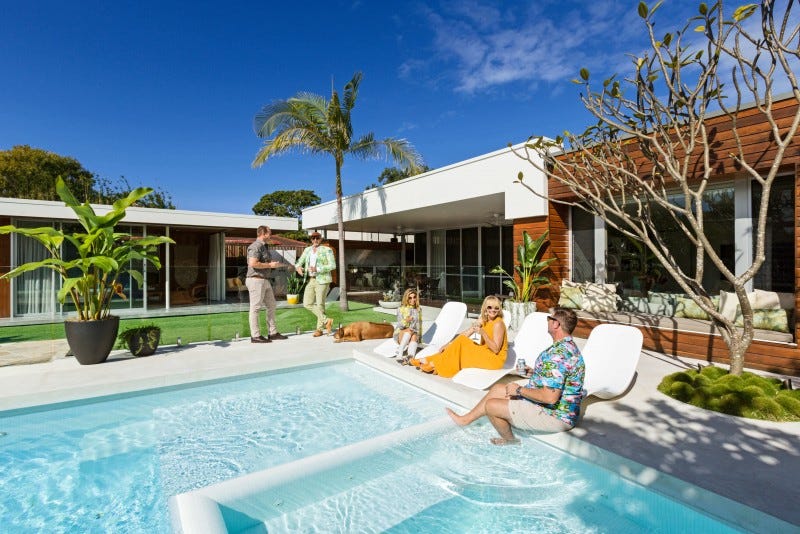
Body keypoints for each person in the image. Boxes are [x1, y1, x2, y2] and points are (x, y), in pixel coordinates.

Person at [446, 307, 585, 445]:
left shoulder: (558, 354)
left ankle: (510, 440)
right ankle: (465, 420)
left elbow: (550, 398)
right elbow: (557, 377)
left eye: (549, 318)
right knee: (498, 389)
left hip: (556, 416)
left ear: (556, 324)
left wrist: (519, 390)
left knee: (492, 406)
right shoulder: (567, 347)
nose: (547, 321)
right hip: (558, 410)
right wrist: (535, 373)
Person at [410, 295, 507, 377]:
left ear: (499, 310)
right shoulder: (483, 319)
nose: (493, 310)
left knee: (463, 343)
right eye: (490, 307)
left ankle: (433, 364)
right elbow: (465, 334)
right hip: (484, 352)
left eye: (496, 308)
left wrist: (483, 333)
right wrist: (448, 345)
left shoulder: (498, 324)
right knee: (462, 339)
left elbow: (496, 349)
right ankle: (428, 360)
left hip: (494, 359)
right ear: (485, 308)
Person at [246, 225, 291, 343]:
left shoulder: (264, 247)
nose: (271, 234)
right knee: (255, 308)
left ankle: (273, 333)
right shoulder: (255, 246)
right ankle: (255, 336)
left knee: (271, 305)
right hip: (255, 280)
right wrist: (270, 265)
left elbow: (268, 263)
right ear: (263, 233)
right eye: (269, 232)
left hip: (265, 280)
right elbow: (253, 263)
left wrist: (287, 266)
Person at [295, 231, 336, 337]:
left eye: (317, 238)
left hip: (322, 280)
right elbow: (299, 261)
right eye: (313, 238)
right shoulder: (307, 250)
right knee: (307, 303)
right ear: (310, 239)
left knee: (320, 304)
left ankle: (319, 329)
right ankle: (327, 320)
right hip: (311, 280)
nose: (315, 240)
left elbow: (332, 265)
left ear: (321, 239)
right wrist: (298, 267)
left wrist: (317, 269)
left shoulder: (327, 250)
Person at [395, 288, 422, 362]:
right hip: (400, 334)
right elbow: (400, 326)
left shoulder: (418, 309)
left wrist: (419, 338)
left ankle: (410, 357)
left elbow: (419, 325)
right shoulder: (401, 309)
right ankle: (400, 353)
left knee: (414, 334)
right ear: (406, 298)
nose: (413, 300)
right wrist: (406, 321)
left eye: (414, 297)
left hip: (412, 334)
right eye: (410, 298)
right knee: (410, 330)